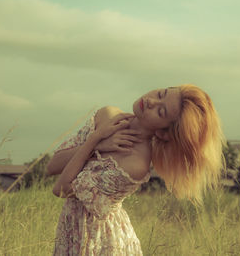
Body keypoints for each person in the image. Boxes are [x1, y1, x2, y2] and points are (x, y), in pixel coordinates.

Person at [47, 84, 226, 255]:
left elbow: (60, 189)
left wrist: (96, 142)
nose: (151, 101)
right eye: (161, 94)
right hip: (72, 232)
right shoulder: (107, 114)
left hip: (99, 243)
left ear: (163, 133)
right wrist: (99, 142)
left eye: (160, 111)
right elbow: (52, 166)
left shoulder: (135, 165)